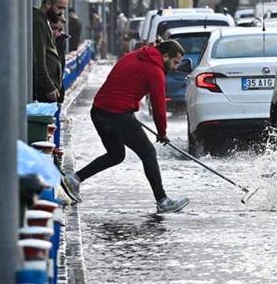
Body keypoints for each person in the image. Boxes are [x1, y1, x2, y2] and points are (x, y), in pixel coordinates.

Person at [61, 40, 190, 214]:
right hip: (116, 114)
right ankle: (163, 201)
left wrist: (129, 108)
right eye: (175, 62)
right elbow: (159, 108)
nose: (175, 67)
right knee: (148, 153)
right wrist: (162, 133)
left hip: (99, 111)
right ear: (165, 56)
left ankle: (74, 179)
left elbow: (121, 83)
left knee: (116, 154)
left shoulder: (135, 55)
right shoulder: (155, 70)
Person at [33, 0, 67, 103]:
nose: (62, 13)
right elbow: (39, 58)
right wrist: (49, 87)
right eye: (59, 8)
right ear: (48, 4)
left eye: (64, 9)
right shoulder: (38, 22)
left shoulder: (44, 21)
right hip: (43, 91)